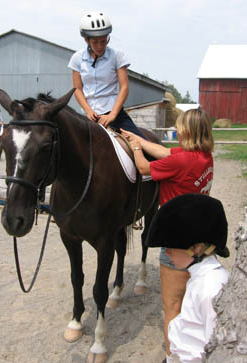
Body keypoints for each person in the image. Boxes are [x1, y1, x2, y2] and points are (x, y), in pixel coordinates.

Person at [121, 108, 214, 360]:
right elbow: (165, 152)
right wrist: (137, 138)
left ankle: (173, 356)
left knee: (172, 306)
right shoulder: (204, 157)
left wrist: (136, 149)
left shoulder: (181, 161)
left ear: (189, 132)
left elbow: (142, 168)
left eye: (182, 128)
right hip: (201, 236)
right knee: (190, 300)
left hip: (177, 241)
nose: (179, 132)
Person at [147, 193, 230, 362]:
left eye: (171, 246)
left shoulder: (210, 288)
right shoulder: (197, 278)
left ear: (197, 248)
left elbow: (217, 347)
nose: (167, 252)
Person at [68, 11, 146, 138]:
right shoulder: (77, 58)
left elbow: (124, 87)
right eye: (95, 42)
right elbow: (77, 89)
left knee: (143, 145)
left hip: (114, 114)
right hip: (88, 116)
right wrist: (88, 111)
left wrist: (113, 115)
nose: (100, 46)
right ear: (86, 40)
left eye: (103, 41)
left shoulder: (117, 56)